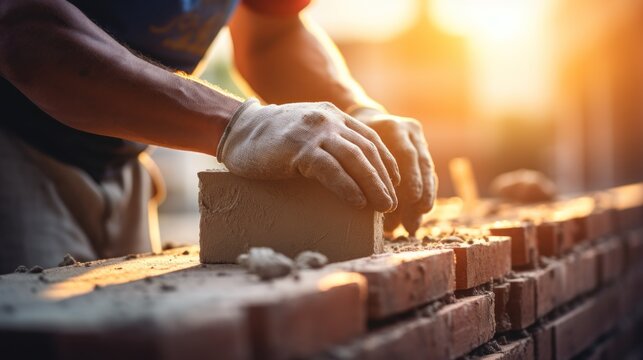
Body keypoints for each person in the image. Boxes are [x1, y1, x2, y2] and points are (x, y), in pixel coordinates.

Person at [0, 0, 437, 273]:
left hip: (121, 161)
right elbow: (25, 31)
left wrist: (356, 111)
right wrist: (238, 125)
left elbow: (272, 36)